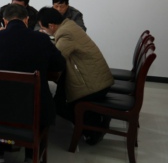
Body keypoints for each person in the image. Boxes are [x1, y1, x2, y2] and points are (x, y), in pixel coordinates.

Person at [0, 4, 65, 163]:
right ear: (27, 20)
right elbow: (60, 64)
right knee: (45, 95)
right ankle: (31, 156)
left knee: (1, 94)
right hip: (33, 107)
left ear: (5, 21)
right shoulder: (41, 39)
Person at [38, 7, 113, 145]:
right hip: (97, 79)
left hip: (93, 86)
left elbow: (56, 60)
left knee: (58, 106)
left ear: (51, 26)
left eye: (43, 28)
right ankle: (95, 120)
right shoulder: (69, 25)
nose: (43, 31)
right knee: (59, 96)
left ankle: (94, 129)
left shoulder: (65, 33)